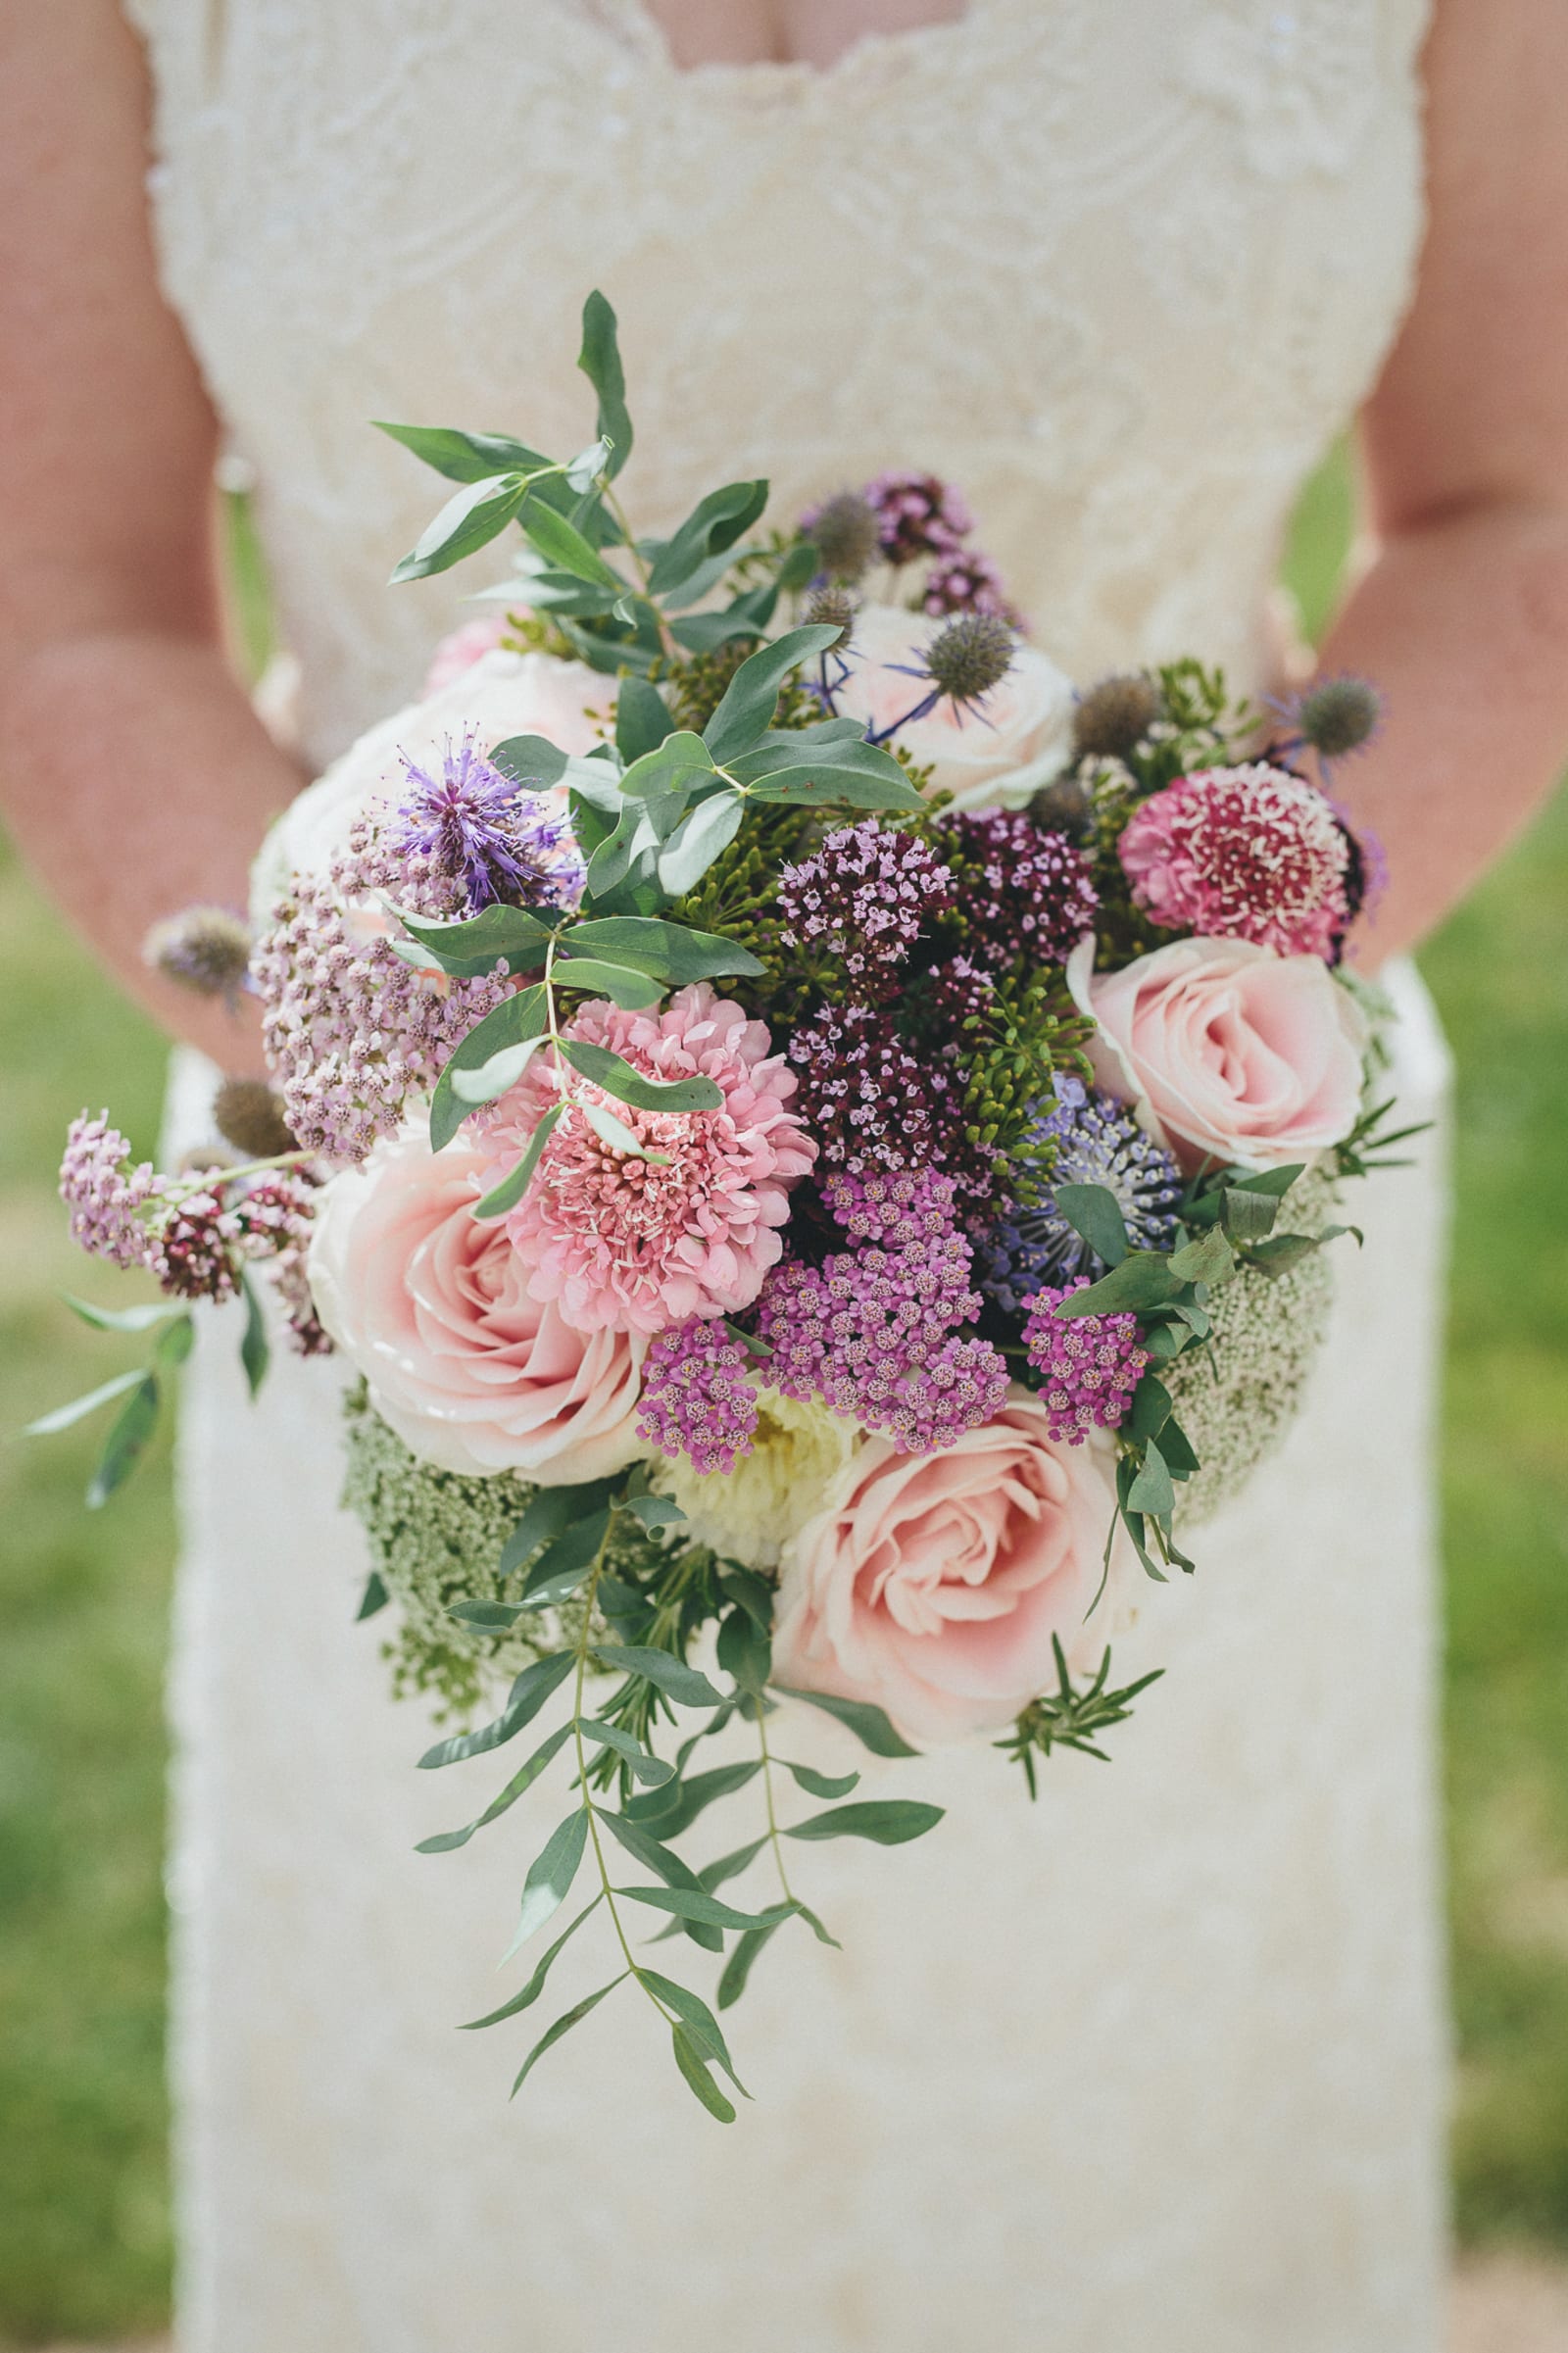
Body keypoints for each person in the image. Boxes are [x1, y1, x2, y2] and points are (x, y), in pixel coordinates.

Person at [1, 4, 1565, 2348]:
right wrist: (495, 1163)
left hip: (1149, 1269)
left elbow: (1509, 517)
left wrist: (1120, 1094)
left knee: (1128, 2157)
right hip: (442, 1310)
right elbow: (77, 610)